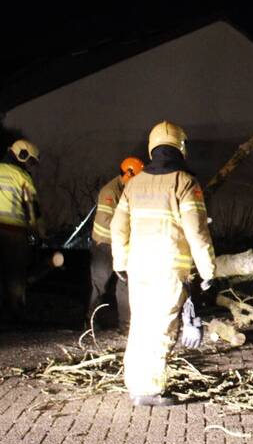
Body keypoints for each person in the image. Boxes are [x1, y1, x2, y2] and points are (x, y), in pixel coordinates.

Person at [110, 121, 216, 407]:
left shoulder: (134, 184)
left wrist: (120, 261)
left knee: (141, 325)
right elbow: (196, 231)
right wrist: (207, 271)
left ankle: (135, 384)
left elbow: (118, 226)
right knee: (163, 327)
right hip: (169, 268)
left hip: (138, 267)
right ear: (181, 148)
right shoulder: (184, 182)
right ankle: (152, 390)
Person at [0, 139, 43, 321]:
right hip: (14, 233)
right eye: (31, 161)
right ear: (22, 155)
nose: (31, 166)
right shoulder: (22, 176)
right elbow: (32, 210)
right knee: (16, 273)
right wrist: (37, 233)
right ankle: (15, 311)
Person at [86, 156, 143, 332]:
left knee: (125, 283)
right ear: (128, 173)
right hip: (104, 245)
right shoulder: (110, 192)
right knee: (100, 285)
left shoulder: (128, 190)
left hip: (121, 244)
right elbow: (107, 221)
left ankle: (126, 325)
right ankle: (91, 323)